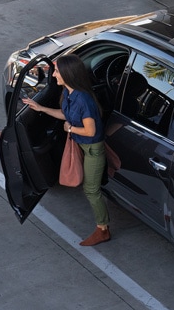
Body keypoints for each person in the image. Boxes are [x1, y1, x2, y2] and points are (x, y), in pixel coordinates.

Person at [23, 55, 111, 247]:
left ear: (68, 74)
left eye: (57, 71)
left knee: (91, 190)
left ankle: (102, 229)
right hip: (81, 145)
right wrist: (40, 108)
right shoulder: (69, 93)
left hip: (92, 149)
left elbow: (90, 130)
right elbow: (65, 114)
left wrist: (70, 129)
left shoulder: (83, 100)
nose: (54, 74)